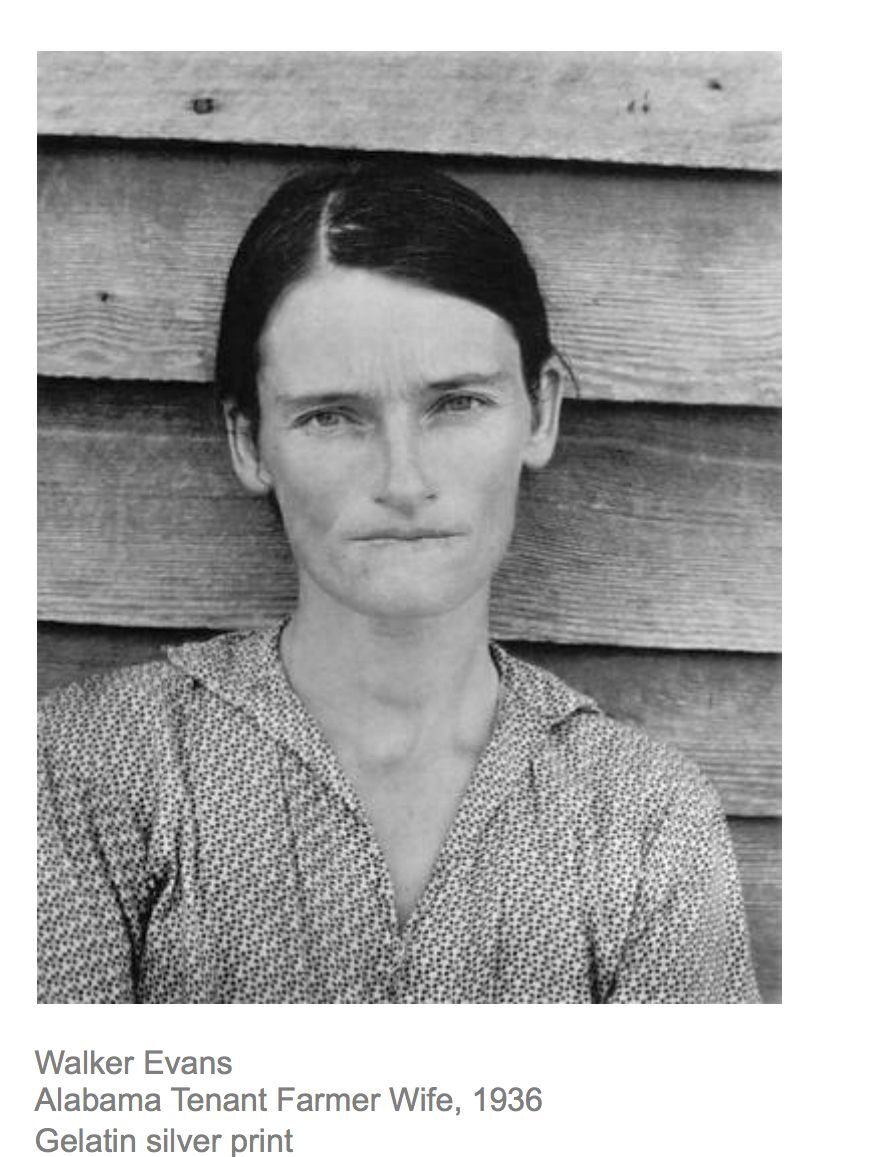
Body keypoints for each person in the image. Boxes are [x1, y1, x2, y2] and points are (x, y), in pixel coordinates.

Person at [38, 163, 760, 1003]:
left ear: (542, 410)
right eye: (331, 416)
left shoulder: (641, 816)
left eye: (455, 404)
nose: (405, 480)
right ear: (249, 441)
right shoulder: (89, 769)